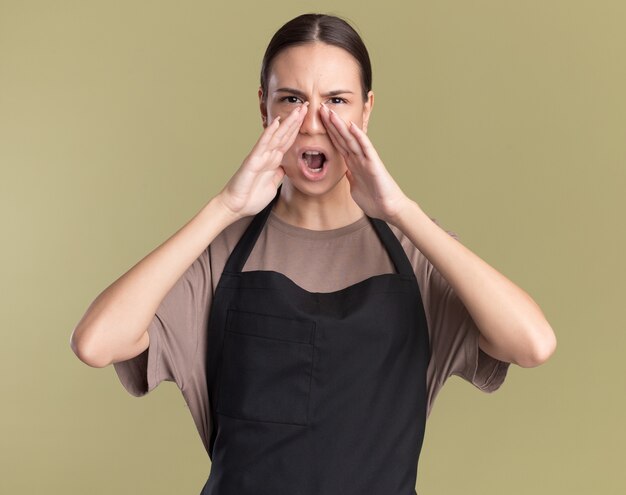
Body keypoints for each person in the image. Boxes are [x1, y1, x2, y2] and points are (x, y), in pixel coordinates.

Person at [70, 12, 556, 494]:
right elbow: (96, 343)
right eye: (293, 99)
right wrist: (224, 207)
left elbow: (532, 344)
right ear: (264, 107)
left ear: (366, 110)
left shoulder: (416, 252)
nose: (313, 122)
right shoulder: (220, 254)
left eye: (336, 100)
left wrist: (403, 211)